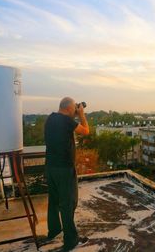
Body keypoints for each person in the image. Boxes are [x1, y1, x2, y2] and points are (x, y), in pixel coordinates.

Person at [44, 97, 89, 251]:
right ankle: (71, 240)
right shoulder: (67, 121)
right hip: (64, 168)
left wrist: (74, 115)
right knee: (68, 203)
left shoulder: (50, 119)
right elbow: (86, 131)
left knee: (54, 201)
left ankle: (54, 230)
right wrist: (81, 114)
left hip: (50, 167)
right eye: (74, 109)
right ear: (70, 109)